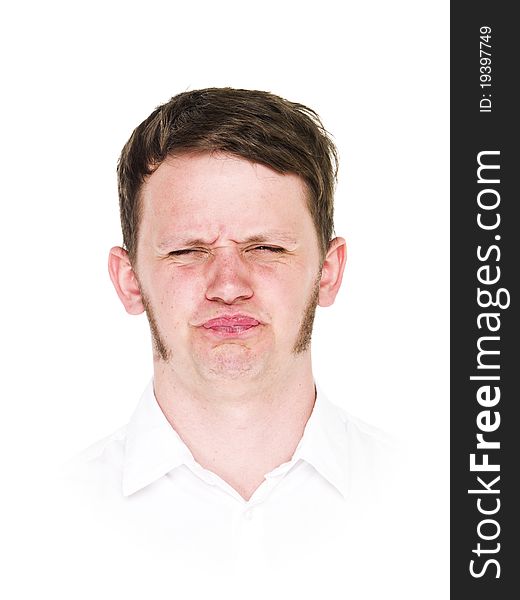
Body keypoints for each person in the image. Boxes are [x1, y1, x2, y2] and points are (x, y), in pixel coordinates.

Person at [63, 88, 397, 600]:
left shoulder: (441, 505)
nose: (228, 284)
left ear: (328, 272)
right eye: (186, 250)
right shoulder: (40, 523)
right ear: (129, 280)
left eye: (265, 248)